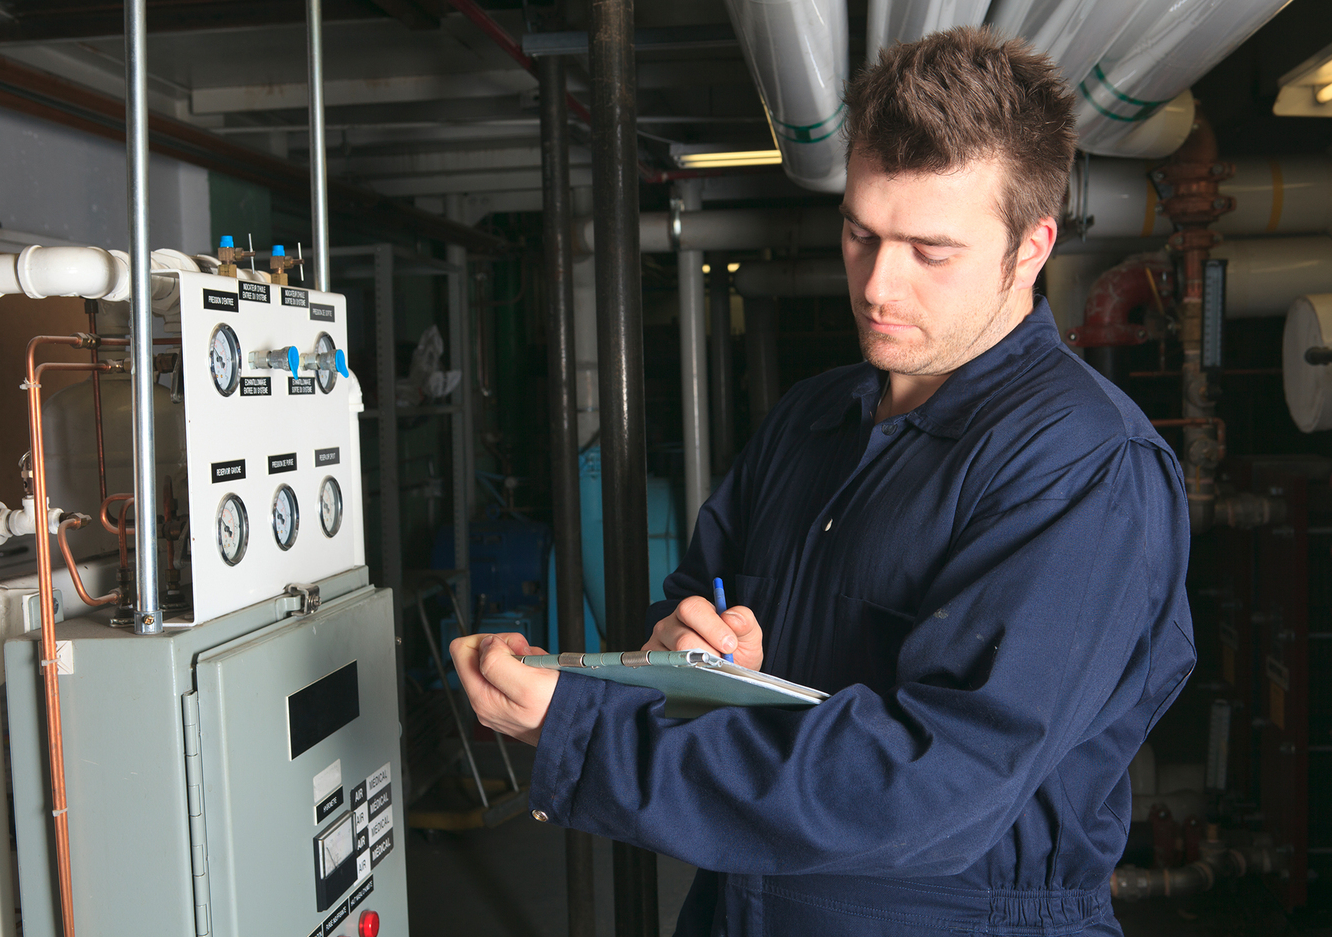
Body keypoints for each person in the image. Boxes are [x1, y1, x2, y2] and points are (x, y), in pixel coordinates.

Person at [452, 25, 1195, 937]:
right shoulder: (811, 419)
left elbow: (930, 786)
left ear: (1031, 247)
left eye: (930, 250)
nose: (878, 285)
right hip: (746, 902)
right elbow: (691, 610)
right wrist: (686, 651)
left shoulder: (1082, 466)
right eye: (859, 233)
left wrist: (587, 731)